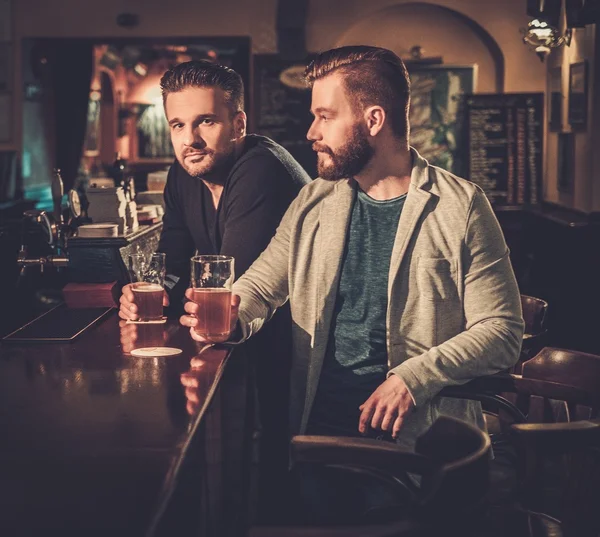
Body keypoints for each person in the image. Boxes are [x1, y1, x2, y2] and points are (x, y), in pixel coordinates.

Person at [180, 46, 524, 521]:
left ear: (374, 119)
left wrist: (413, 377)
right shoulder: (315, 201)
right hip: (314, 439)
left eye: (324, 116)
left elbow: (502, 331)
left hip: (413, 448)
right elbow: (262, 285)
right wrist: (230, 317)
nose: (311, 132)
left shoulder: (459, 206)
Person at [117, 60, 311, 516]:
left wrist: (172, 290)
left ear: (238, 122)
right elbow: (174, 264)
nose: (190, 140)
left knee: (266, 475)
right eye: (178, 125)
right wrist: (143, 292)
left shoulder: (261, 169)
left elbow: (231, 291)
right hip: (246, 343)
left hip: (301, 345)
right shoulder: (183, 174)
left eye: (206, 120)